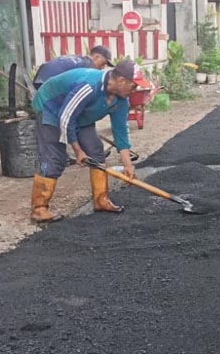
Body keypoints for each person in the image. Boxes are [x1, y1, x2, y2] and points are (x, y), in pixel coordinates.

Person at [28, 58, 151, 223]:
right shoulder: (89, 85)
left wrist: (128, 166)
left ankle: (101, 200)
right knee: (54, 158)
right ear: (121, 81)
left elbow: (120, 131)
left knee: (96, 151)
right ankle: (39, 209)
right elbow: (66, 117)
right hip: (50, 107)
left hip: (78, 115)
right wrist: (78, 151)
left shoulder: (121, 100)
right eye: (134, 86)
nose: (135, 90)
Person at [32, 46, 113, 89]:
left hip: (39, 81)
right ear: (96, 57)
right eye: (103, 63)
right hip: (48, 86)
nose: (102, 67)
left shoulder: (77, 59)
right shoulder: (88, 65)